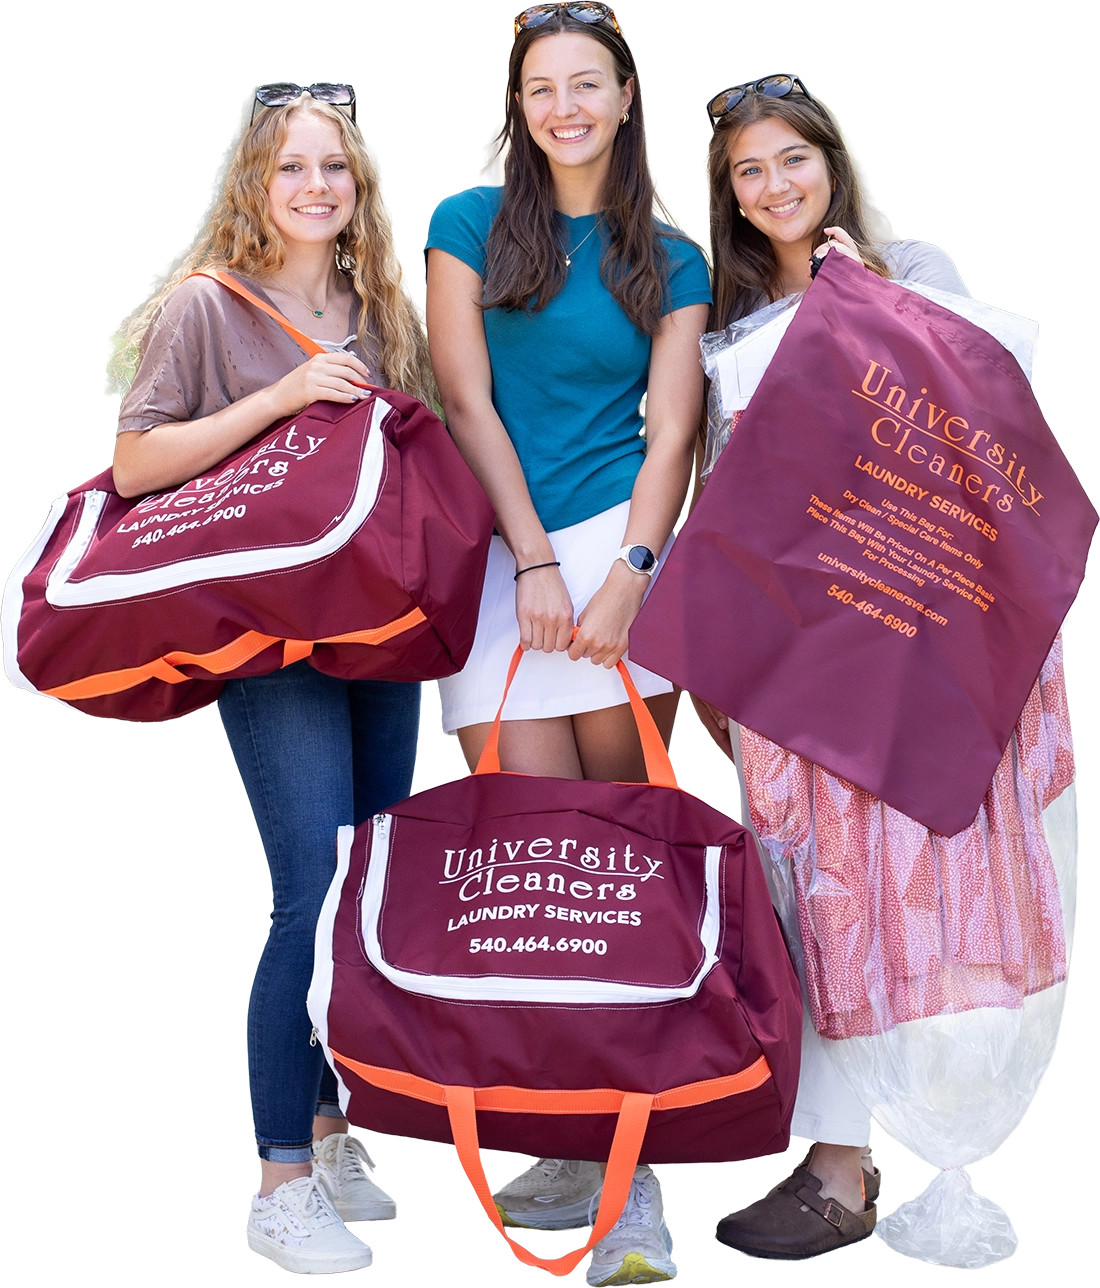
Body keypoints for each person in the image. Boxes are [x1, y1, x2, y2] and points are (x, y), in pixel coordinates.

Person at [690, 75, 1070, 1261]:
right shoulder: (728, 328)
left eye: (790, 159)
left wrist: (879, 306)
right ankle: (837, 1161)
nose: (773, 187)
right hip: (797, 658)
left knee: (925, 903)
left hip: (912, 648)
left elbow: (999, 441)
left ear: (830, 161)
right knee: (819, 899)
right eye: (748, 172)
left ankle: (912, 1157)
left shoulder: (918, 275)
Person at [110, 83, 436, 1276]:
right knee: (310, 884)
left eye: (333, 168)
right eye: (291, 166)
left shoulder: (377, 304)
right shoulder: (207, 305)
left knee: (369, 889)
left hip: (376, 632)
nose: (314, 186)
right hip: (269, 640)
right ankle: (277, 1179)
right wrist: (282, 395)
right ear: (254, 182)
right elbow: (135, 461)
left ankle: (336, 1127)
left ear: (358, 185)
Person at [423, 4, 710, 1284]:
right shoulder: (467, 224)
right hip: (506, 563)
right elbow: (464, 398)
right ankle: (558, 1130)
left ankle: (632, 1180)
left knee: (629, 871)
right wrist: (534, 562)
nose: (564, 108)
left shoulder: (674, 257)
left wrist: (629, 577)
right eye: (540, 88)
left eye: (585, 84)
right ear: (518, 104)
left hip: (622, 567)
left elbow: (670, 432)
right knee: (529, 878)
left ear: (626, 95)